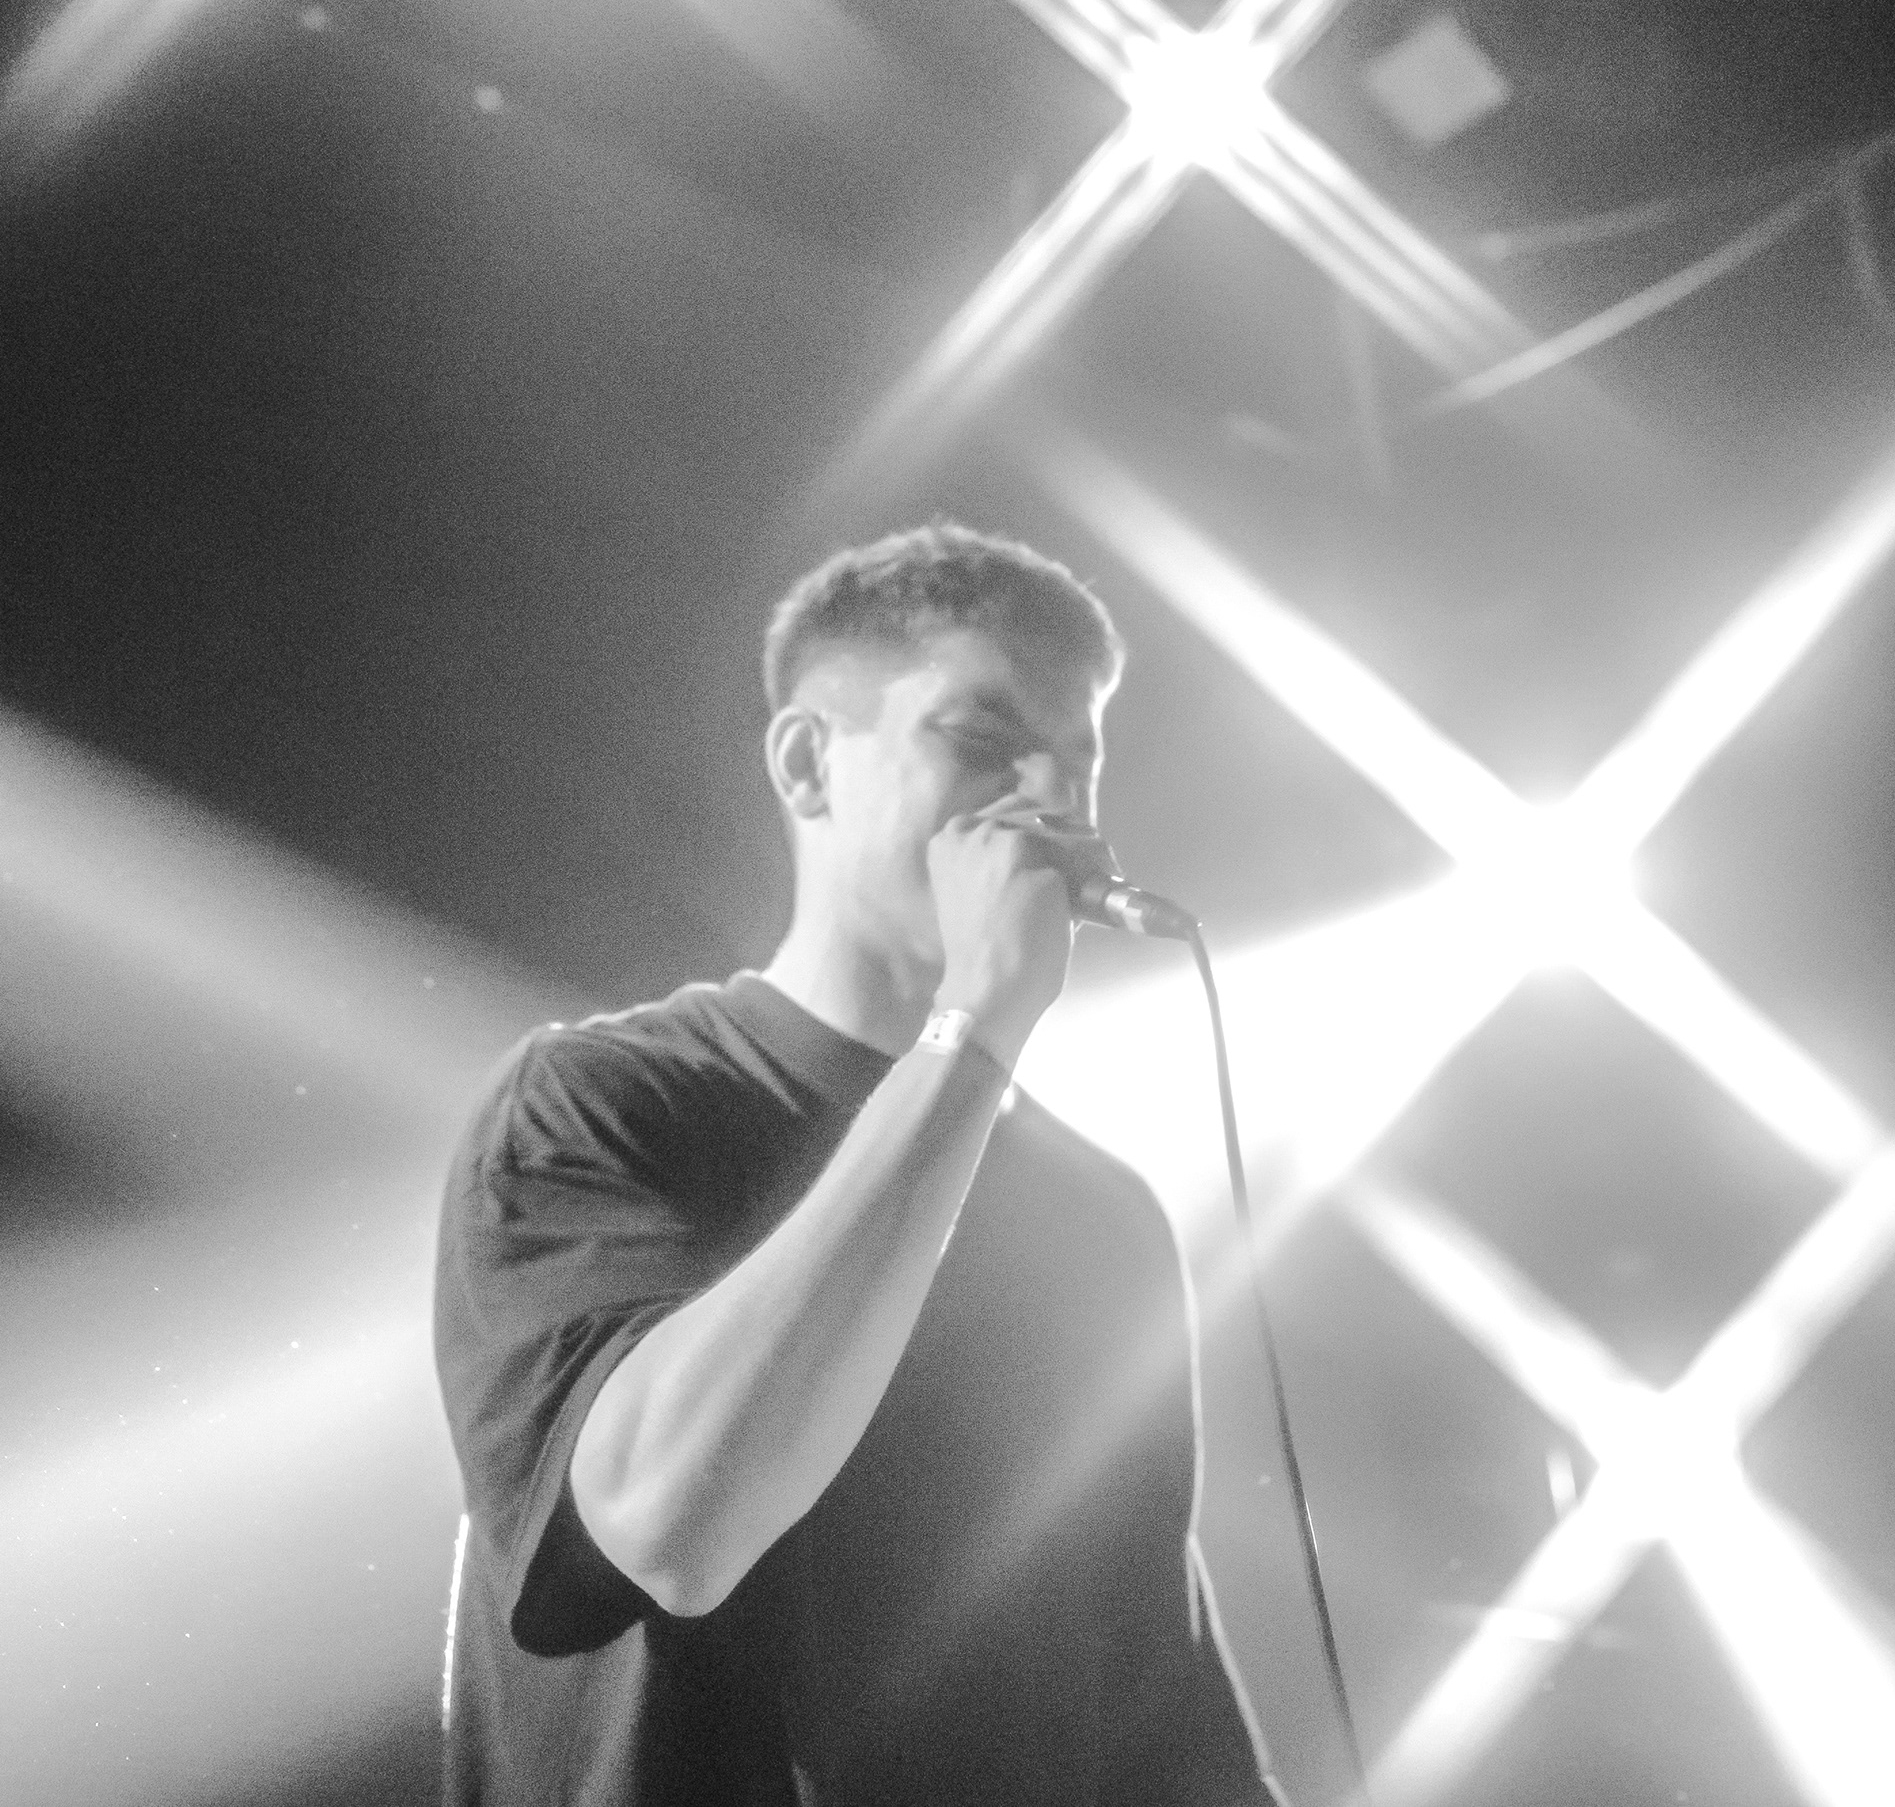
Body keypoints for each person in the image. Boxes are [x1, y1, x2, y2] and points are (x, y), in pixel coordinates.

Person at [434, 521, 1284, 1805]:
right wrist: (976, 1024)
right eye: (983, 738)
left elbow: (1153, 1707)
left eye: (1081, 762)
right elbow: (666, 1527)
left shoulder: (1100, 1219)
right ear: (807, 762)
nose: (1052, 805)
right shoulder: (600, 1106)